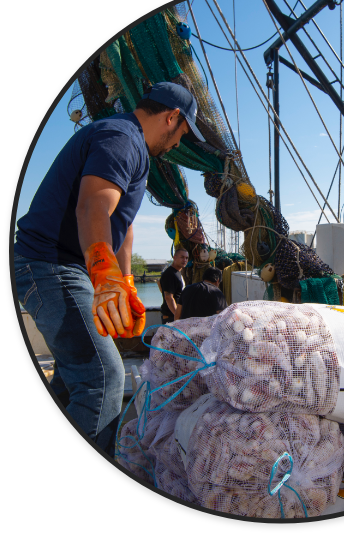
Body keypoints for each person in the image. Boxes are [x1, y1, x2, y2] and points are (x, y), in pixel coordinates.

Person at [14, 81, 205, 457]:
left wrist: (127, 282)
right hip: (51, 265)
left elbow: (124, 224)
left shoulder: (133, 148)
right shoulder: (122, 139)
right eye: (182, 134)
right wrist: (104, 274)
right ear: (172, 117)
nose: (178, 144)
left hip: (62, 266)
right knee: (104, 377)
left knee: (76, 382)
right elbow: (93, 208)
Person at [160, 247, 189, 324]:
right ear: (175, 257)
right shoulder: (170, 274)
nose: (185, 260)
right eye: (182, 257)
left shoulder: (177, 273)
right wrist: (177, 317)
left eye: (186, 258)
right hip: (171, 317)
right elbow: (168, 297)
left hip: (175, 315)